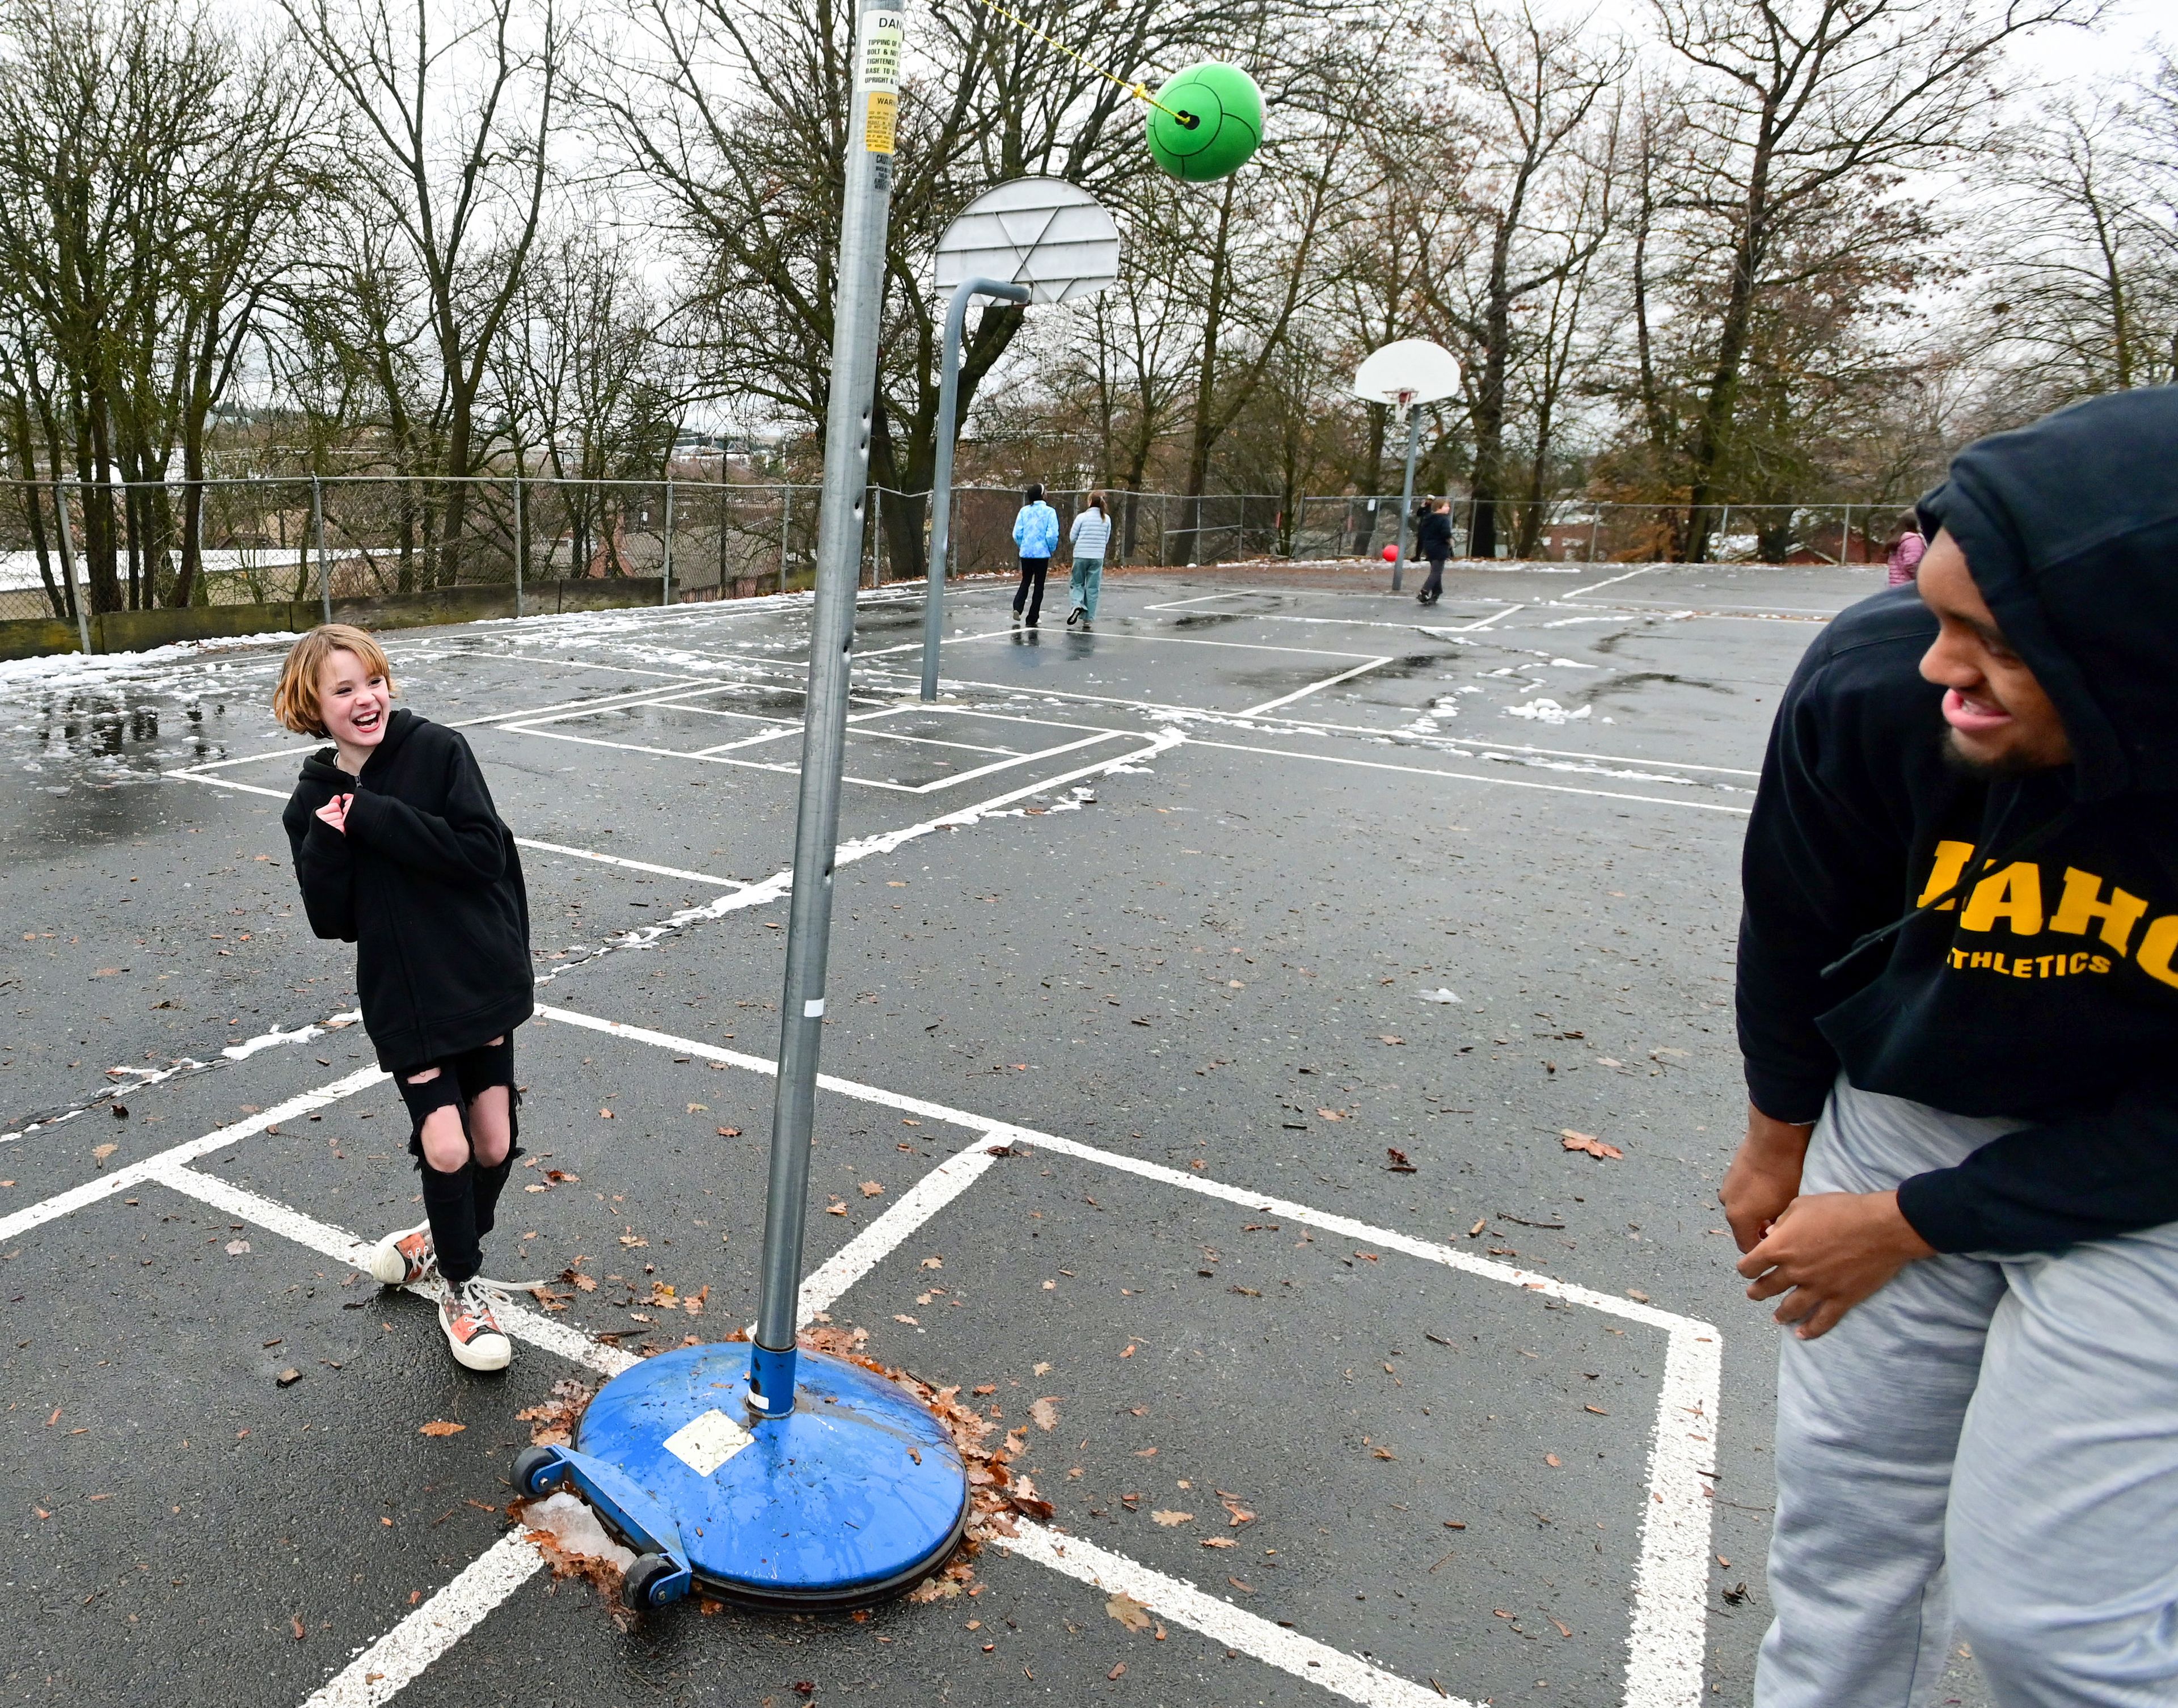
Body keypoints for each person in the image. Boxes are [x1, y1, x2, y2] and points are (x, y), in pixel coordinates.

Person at [1724, 389, 2178, 1707]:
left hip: (2151, 1170)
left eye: (1989, 639)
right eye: (1935, 611)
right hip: (1912, 1103)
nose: (1934, 663)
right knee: (1844, 1550)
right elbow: (1795, 917)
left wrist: (1914, 1222)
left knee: (2056, 1621)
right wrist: (1776, 1140)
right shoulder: (1874, 685)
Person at [275, 624, 534, 1374]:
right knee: (447, 1144)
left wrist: (375, 816)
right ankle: (461, 1285)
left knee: (491, 1142)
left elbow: (483, 853)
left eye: (374, 680)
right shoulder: (312, 800)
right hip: (410, 998)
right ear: (312, 705)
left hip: (479, 978)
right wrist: (331, 834)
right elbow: (335, 919)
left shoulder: (438, 751)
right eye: (344, 688)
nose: (367, 698)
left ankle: (437, 1239)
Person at [1011, 483, 1060, 627]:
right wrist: (1051, 548)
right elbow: (1052, 534)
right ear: (1043, 495)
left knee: (1026, 580)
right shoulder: (1050, 512)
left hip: (1026, 553)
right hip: (1042, 554)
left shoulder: (1024, 511)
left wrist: (1024, 545)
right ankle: (1032, 617)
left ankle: (1017, 607)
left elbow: (1017, 533)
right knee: (1039, 585)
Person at [1066, 491, 1112, 629]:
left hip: (1081, 555)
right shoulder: (1107, 519)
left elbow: (1072, 537)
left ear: (1090, 502)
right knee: (1093, 588)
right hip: (1097, 557)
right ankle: (1088, 619)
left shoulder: (1082, 517)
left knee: (1077, 583)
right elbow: (1106, 539)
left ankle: (1077, 604)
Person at [1415, 498, 1453, 605]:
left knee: (1436, 570)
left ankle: (1437, 592)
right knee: (1436, 572)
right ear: (1439, 508)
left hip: (1429, 547)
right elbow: (1446, 533)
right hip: (1440, 548)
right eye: (1446, 506)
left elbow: (1422, 533)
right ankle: (1425, 591)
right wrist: (1450, 542)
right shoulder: (1444, 519)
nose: (1448, 508)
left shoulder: (1427, 519)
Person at [1884, 509, 1926, 585]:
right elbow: (1911, 564)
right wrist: (1923, 578)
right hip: (1908, 585)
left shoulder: (1898, 538)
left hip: (1896, 584)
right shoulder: (1913, 540)